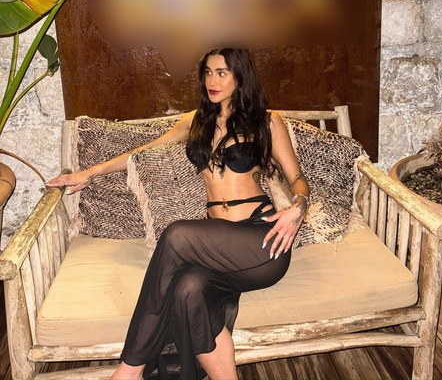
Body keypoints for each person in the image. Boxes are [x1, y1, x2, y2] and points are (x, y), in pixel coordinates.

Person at [47, 48, 309, 380]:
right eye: (208, 72)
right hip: (216, 249)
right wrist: (89, 173)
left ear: (241, 77)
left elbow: (297, 178)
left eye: (222, 73)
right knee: (188, 289)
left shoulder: (266, 121)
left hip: (260, 241)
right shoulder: (195, 122)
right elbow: (140, 152)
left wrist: (298, 208)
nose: (212, 80)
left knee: (176, 235)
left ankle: (129, 370)